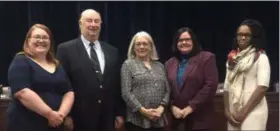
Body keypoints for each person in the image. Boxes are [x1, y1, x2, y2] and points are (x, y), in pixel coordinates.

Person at [56, 9, 125, 131]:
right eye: (89, 21)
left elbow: (116, 85)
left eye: (96, 21)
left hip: (107, 118)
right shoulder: (65, 49)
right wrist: (67, 115)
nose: (93, 24)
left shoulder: (112, 51)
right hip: (79, 118)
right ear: (80, 23)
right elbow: (62, 84)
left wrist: (119, 113)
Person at [7, 24, 74, 131]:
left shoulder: (56, 64)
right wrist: (49, 114)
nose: (41, 40)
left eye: (45, 38)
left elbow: (69, 92)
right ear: (28, 41)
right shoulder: (21, 60)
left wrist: (61, 115)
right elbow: (23, 92)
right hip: (27, 123)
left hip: (56, 124)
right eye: (37, 37)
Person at [165, 27, 219, 131]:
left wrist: (191, 107)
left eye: (187, 39)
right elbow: (165, 89)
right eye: (180, 40)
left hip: (200, 119)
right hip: (177, 120)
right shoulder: (169, 63)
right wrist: (172, 107)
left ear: (193, 41)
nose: (184, 42)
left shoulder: (206, 58)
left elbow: (210, 86)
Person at [223, 19, 271, 130]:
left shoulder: (261, 57)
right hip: (233, 110)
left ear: (253, 37)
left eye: (247, 35)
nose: (243, 38)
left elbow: (262, 87)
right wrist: (227, 111)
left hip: (254, 110)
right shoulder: (232, 59)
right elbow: (226, 86)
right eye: (240, 34)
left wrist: (243, 112)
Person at [121, 31, 170, 131]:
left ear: (151, 47)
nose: (141, 47)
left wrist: (161, 108)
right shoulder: (128, 65)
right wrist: (143, 111)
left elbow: (167, 90)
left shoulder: (160, 66)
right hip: (137, 120)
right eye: (138, 44)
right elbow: (126, 93)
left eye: (145, 44)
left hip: (158, 119)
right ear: (134, 47)